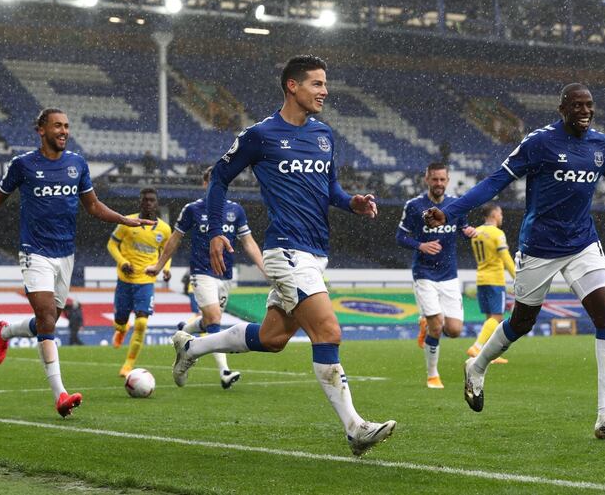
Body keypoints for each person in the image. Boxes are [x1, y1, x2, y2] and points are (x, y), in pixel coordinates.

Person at [424, 83, 605, 439]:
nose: (585, 111)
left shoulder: (602, 146)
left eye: (589, 105)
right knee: (522, 322)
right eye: (577, 106)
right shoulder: (539, 143)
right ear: (562, 109)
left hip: (583, 243)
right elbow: (494, 182)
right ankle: (476, 366)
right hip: (539, 246)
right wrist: (449, 211)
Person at [166, 55, 395, 456]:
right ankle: (355, 428)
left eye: (325, 84)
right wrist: (217, 231)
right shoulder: (260, 135)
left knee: (272, 338)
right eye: (317, 84)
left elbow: (331, 190)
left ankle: (193, 347)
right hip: (286, 251)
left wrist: (352, 203)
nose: (325, 91)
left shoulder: (324, 135)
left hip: (315, 253)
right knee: (329, 333)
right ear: (293, 86)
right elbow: (219, 178)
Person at [0, 108, 153, 417]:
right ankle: (61, 395)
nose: (64, 131)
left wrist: (126, 220)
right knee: (46, 318)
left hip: (65, 254)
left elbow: (94, 206)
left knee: (48, 322)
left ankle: (5, 331)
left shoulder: (77, 164)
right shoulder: (23, 165)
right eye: (57, 125)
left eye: (67, 126)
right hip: (35, 252)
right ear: (41, 129)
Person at [145, 166, 264, 389]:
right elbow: (175, 238)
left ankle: (184, 332)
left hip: (225, 275)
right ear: (204, 184)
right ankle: (224, 372)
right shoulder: (193, 209)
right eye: (212, 182)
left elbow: (248, 242)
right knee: (215, 317)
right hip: (201, 272)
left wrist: (264, 268)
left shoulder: (235, 211)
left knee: (210, 321)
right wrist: (159, 265)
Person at [395, 162, 469, 389]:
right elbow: (400, 236)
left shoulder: (456, 205)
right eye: (434, 179)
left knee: (454, 331)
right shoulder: (415, 206)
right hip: (424, 273)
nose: (438, 183)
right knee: (437, 327)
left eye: (442, 179)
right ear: (426, 179)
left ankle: (427, 326)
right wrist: (420, 246)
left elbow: (463, 229)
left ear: (447, 180)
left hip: (449, 275)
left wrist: (470, 232)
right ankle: (432, 374)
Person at [107, 187, 172, 377]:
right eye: (145, 200)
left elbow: (166, 253)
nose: (149, 203)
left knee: (142, 323)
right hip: (125, 280)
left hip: (146, 280)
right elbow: (111, 244)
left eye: (152, 200)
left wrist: (165, 269)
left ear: (156, 203)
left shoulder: (164, 230)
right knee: (120, 322)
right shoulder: (127, 222)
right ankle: (122, 329)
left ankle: (128, 365)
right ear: (140, 202)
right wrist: (123, 262)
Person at [467, 203, 515, 364]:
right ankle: (477, 346)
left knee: (490, 318)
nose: (501, 217)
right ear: (494, 214)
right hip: (495, 279)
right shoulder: (497, 233)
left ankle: (489, 355)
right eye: (500, 213)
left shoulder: (476, 232)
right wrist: (516, 276)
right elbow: (505, 257)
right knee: (497, 317)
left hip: (481, 278)